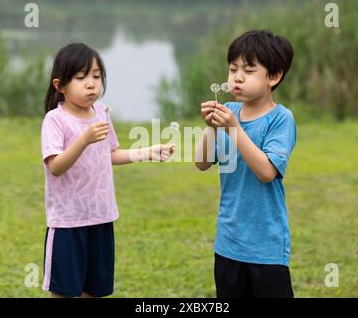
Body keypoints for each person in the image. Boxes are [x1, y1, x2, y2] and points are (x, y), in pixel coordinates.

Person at [41, 43, 174, 298]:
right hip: (68, 221)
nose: (91, 83)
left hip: (101, 217)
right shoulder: (55, 120)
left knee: (96, 290)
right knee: (66, 291)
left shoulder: (101, 112)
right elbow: (56, 166)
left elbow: (110, 153)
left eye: (96, 76)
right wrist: (83, 140)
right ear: (60, 85)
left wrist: (147, 152)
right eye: (81, 78)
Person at [195, 30, 296, 297]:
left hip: (266, 247)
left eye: (249, 71)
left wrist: (233, 128)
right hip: (228, 242)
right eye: (233, 69)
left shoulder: (280, 119)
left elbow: (266, 172)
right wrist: (211, 128)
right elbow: (202, 162)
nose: (237, 78)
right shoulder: (229, 112)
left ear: (273, 77)